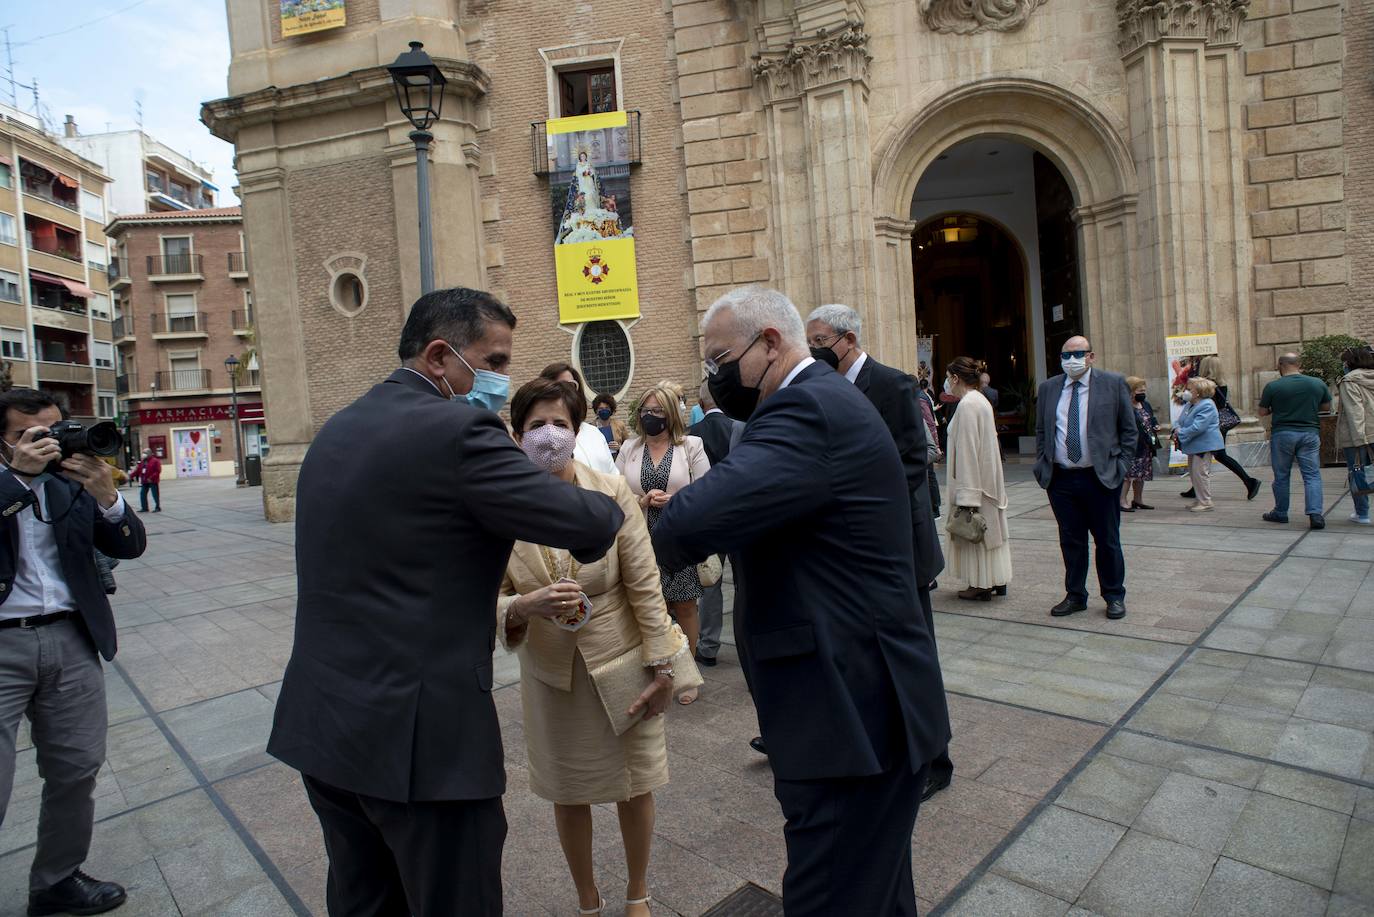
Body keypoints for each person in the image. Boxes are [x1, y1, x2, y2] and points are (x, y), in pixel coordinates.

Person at [268, 288, 625, 917]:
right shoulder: (461, 429)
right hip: (422, 746)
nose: (502, 380)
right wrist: (588, 475)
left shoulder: (338, 427)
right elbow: (591, 525)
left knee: (365, 898)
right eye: (494, 362)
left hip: (325, 723)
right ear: (439, 356)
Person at [652, 286, 951, 917]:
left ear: (769, 343)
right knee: (876, 892)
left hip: (849, 710)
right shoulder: (816, 401)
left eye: (720, 358)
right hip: (863, 701)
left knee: (830, 894)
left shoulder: (806, 410)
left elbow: (688, 522)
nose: (714, 376)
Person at [498, 378, 685, 917]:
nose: (549, 435)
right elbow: (487, 599)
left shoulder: (608, 490)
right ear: (517, 435)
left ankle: (637, 893)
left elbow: (645, 581)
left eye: (560, 423)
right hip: (552, 673)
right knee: (569, 790)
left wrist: (663, 663)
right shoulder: (498, 508)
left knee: (635, 784)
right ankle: (587, 899)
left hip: (620, 658)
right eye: (536, 426)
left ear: (578, 429)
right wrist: (526, 605)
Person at [0, 389, 147, 917]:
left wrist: (108, 497)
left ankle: (56, 880)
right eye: (29, 434)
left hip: (70, 637)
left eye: (54, 429)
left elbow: (128, 545)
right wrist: (17, 480)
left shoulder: (70, 485)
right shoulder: (7, 481)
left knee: (76, 768)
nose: (48, 442)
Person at [804, 303, 950, 798]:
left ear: (847, 339)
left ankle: (936, 760)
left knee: (916, 653)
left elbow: (915, 460)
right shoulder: (822, 389)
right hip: (853, 548)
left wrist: (859, 498)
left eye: (821, 341)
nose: (814, 351)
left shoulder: (891, 384)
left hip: (900, 543)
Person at [615, 382, 711, 704]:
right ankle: (658, 671)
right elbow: (615, 492)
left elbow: (706, 489)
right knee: (649, 605)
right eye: (645, 411)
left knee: (684, 604)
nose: (650, 417)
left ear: (670, 414)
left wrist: (674, 500)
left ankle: (687, 674)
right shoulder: (629, 447)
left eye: (656, 411)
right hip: (641, 537)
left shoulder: (691, 446)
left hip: (678, 535)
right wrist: (641, 501)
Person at [1034, 335, 1137, 621]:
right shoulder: (1049, 388)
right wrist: (1043, 465)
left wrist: (1121, 466)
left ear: (1091, 356)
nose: (1071, 361)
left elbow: (1130, 430)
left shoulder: (1113, 384)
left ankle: (1114, 595)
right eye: (1066, 356)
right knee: (1071, 541)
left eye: (1078, 354)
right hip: (1061, 479)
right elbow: (1042, 430)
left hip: (1100, 477)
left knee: (1107, 540)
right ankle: (1075, 595)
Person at [944, 357, 1012, 601]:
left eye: (947, 377)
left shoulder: (968, 404)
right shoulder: (978, 400)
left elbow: (968, 450)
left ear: (955, 378)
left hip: (976, 481)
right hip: (986, 480)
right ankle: (994, 579)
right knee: (989, 532)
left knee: (976, 532)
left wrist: (967, 494)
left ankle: (981, 583)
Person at [688, 381, 741, 669]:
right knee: (745, 583)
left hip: (708, 519)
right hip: (738, 517)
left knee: (710, 582)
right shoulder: (739, 428)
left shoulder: (691, 435)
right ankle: (748, 643)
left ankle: (708, 646)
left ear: (700, 403)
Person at [1259, 352, 1330, 529]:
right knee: (1312, 475)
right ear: (1299, 364)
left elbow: (1262, 412)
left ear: (1280, 365)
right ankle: (1315, 514)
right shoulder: (1317, 383)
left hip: (1283, 434)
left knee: (1282, 475)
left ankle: (1281, 512)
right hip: (1310, 433)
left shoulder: (1273, 386)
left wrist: (1277, 409)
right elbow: (1326, 408)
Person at [1181, 355, 1262, 502]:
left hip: (1210, 427)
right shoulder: (1221, 384)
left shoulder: (1206, 386)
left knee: (1215, 455)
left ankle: (1249, 481)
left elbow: (1202, 407)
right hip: (1217, 425)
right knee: (1215, 456)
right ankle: (1197, 488)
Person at [540, 363, 618, 474]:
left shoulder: (594, 433)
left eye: (571, 386)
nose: (566, 392)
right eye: (559, 386)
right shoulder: (541, 438)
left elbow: (613, 475)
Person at [1174, 377, 1224, 513]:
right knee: (1194, 473)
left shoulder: (1207, 404)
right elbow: (1179, 421)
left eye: (1189, 389)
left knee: (1200, 473)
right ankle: (1200, 499)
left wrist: (1180, 432)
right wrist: (1176, 429)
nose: (1186, 391)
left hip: (1203, 445)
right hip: (1194, 445)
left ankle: (1206, 501)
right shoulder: (1190, 404)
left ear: (1199, 392)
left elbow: (1198, 427)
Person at [1336, 345, 1374, 525]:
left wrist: (1360, 441)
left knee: (1357, 472)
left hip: (1360, 436)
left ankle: (1362, 513)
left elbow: (1355, 412)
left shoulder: (1349, 381)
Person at [1121, 376, 1159, 512]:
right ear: (1130, 391)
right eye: (1139, 391)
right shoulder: (1124, 406)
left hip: (1146, 444)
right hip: (1132, 445)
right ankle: (1122, 501)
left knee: (1141, 474)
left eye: (1144, 390)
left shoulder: (1145, 404)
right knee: (1128, 475)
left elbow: (1151, 418)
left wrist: (1155, 425)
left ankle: (1138, 500)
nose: (1142, 393)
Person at [591, 392, 630, 458]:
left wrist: (619, 447)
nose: (604, 410)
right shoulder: (591, 428)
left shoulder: (620, 425)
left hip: (617, 461)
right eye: (601, 408)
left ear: (611, 409)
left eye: (607, 408)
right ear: (596, 410)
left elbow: (628, 446)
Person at [131, 448, 161, 513]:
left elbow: (157, 471)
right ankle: (144, 508)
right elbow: (138, 470)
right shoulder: (143, 461)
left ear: (150, 453)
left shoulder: (155, 461)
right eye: (143, 453)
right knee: (142, 494)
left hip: (152, 481)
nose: (143, 454)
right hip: (144, 481)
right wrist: (131, 476)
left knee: (155, 494)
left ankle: (157, 507)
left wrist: (151, 478)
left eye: (145, 453)